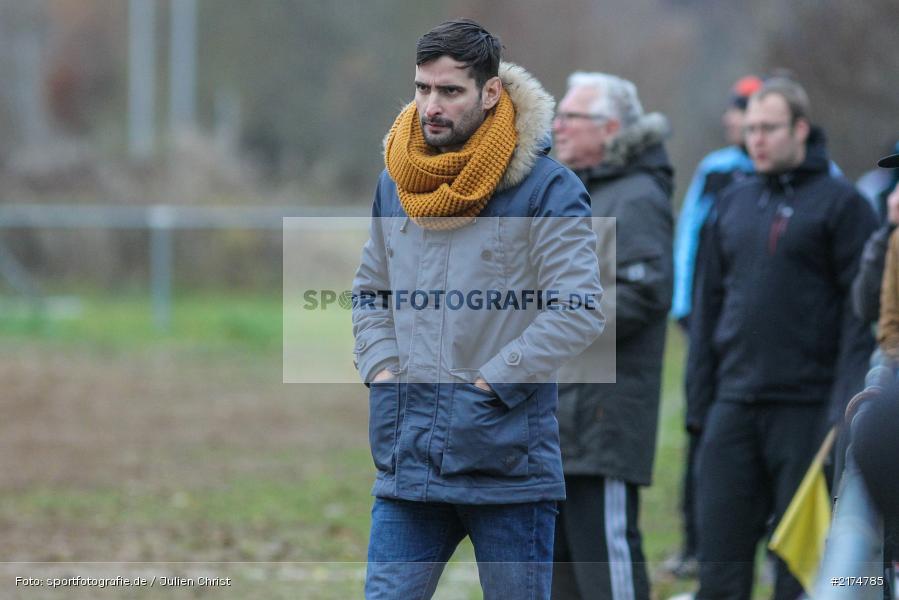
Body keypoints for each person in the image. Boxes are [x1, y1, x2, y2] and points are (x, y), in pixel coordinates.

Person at [352, 19, 605, 600]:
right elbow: (370, 292)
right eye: (422, 88)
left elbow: (578, 309)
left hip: (507, 471)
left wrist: (490, 385)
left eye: (449, 91)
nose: (430, 106)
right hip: (407, 463)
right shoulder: (398, 181)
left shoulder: (547, 189)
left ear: (491, 93)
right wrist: (384, 373)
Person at [686, 77, 876, 600]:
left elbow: (859, 321)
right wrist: (699, 405)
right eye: (749, 130)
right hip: (732, 406)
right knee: (718, 563)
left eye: (768, 128)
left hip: (808, 411)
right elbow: (707, 310)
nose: (757, 140)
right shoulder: (731, 201)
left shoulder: (844, 206)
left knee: (799, 567)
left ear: (800, 129)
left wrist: (843, 410)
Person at [550, 72, 673, 600]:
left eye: (571, 117)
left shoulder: (638, 196)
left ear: (611, 128)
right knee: (557, 574)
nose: (557, 125)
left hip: (604, 416)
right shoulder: (568, 190)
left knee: (606, 567)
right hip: (557, 414)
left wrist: (550, 322)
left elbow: (642, 294)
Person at [667, 75, 762, 580]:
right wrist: (684, 307)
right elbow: (689, 237)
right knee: (703, 429)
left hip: (766, 341)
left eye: (741, 109)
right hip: (710, 327)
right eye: (733, 110)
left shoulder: (810, 173)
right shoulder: (716, 170)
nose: (732, 119)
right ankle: (695, 542)